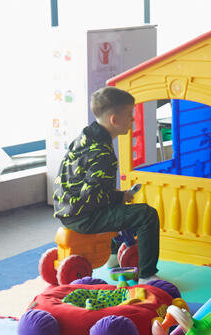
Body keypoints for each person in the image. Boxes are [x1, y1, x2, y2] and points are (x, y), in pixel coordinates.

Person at [54, 87, 161, 278]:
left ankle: (113, 256)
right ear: (114, 120)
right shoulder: (104, 154)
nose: (133, 119)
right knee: (146, 214)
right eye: (130, 115)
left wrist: (120, 195)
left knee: (119, 206)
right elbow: (94, 198)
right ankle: (148, 275)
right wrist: (118, 197)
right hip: (84, 216)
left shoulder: (85, 138)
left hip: (67, 209)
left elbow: (90, 190)